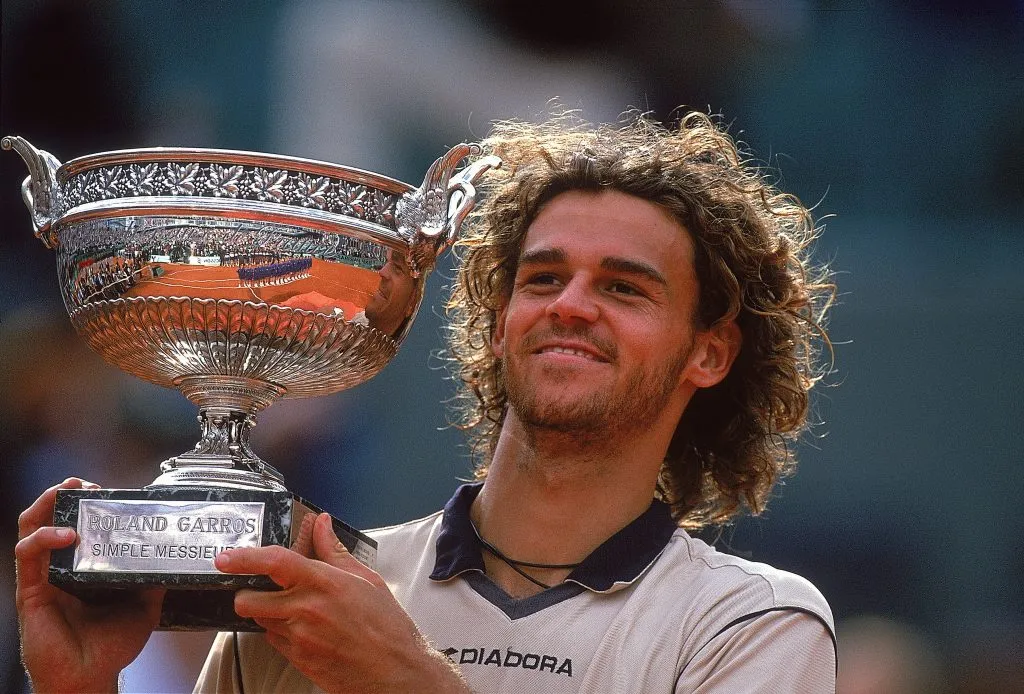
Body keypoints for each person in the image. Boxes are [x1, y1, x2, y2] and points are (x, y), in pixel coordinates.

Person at [16, 111, 837, 693]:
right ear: (496, 324)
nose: (571, 304)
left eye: (624, 288)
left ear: (710, 350)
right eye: (543, 277)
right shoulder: (308, 595)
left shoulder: (748, 625)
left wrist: (401, 680)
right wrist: (79, 691)